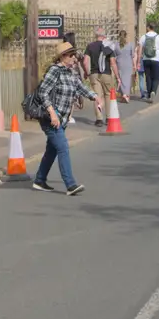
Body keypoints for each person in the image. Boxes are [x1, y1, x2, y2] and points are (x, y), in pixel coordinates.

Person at [32, 41, 101, 194]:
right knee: (63, 147)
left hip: (61, 119)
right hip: (51, 118)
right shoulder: (55, 71)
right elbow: (43, 92)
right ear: (62, 56)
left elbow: (79, 86)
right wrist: (52, 113)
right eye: (71, 55)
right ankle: (70, 184)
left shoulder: (71, 72)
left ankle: (39, 180)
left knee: (52, 150)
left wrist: (94, 96)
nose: (74, 58)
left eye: (74, 55)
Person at [82, 28, 118, 127]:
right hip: (106, 73)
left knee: (97, 96)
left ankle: (99, 119)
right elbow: (113, 63)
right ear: (104, 36)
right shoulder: (109, 46)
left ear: (96, 35)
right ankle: (108, 117)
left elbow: (85, 62)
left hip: (94, 74)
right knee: (107, 95)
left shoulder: (90, 46)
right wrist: (118, 76)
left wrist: (86, 72)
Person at [139, 22, 159, 102]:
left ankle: (148, 94)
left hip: (146, 60)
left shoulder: (143, 37)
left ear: (148, 27)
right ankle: (153, 91)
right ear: (154, 28)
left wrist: (138, 61)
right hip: (156, 60)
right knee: (156, 77)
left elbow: (140, 51)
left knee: (148, 77)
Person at [114, 29, 135, 103]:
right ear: (126, 36)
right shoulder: (130, 44)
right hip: (128, 64)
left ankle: (124, 94)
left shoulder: (116, 45)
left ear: (119, 36)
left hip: (119, 64)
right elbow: (133, 56)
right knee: (127, 80)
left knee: (121, 79)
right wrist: (134, 65)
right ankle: (126, 95)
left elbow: (114, 55)